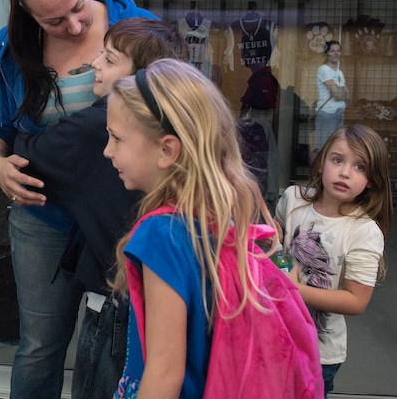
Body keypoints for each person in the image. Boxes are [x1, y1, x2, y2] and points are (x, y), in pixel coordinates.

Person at [0, 0, 157, 398]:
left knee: (123, 344)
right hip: (43, 219)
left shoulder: (141, 30)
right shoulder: (7, 47)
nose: (73, 27)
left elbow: (186, 116)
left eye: (79, 9)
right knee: (39, 346)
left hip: (124, 220)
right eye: (54, 21)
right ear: (25, 13)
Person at [13, 18, 188, 399]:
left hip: (114, 301)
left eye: (109, 60)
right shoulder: (186, 124)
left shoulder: (91, 129)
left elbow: (28, 154)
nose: (95, 64)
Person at [105, 59, 282, 397]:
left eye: (116, 138)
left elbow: (164, 374)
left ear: (167, 149)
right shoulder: (215, 219)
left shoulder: (161, 236)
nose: (107, 150)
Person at [275, 124, 392, 398]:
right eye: (337, 160)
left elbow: (356, 301)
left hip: (320, 352)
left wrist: (294, 288)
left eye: (360, 167)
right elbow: (279, 248)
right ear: (321, 162)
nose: (345, 172)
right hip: (278, 335)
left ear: (372, 180)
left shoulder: (364, 230)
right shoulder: (292, 200)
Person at [313, 40, 347, 155]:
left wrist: (340, 93)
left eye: (338, 51)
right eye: (332, 51)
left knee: (336, 148)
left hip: (339, 112)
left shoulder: (339, 72)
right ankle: (319, 173)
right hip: (327, 113)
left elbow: (348, 96)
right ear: (326, 53)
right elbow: (338, 95)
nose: (336, 53)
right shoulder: (324, 70)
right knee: (324, 147)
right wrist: (341, 94)